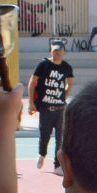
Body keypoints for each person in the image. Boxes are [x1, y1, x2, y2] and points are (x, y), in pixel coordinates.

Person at [27, 40, 74, 175]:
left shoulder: (66, 67)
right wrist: (31, 102)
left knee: (61, 138)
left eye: (59, 50)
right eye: (54, 50)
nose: (57, 53)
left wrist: (64, 96)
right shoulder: (43, 64)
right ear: (51, 51)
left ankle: (57, 165)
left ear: (64, 51)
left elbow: (70, 83)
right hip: (45, 108)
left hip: (60, 109)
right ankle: (42, 154)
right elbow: (32, 81)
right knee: (44, 136)